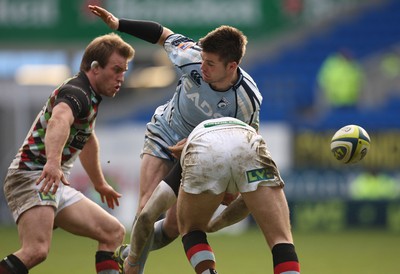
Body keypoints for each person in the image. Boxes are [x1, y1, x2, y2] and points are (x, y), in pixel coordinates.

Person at [89, 5, 263, 274]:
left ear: (232, 66)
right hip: (165, 133)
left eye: (210, 64)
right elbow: (161, 34)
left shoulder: (247, 102)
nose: (202, 66)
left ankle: (129, 253)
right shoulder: (192, 56)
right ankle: (134, 267)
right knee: (147, 208)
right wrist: (118, 24)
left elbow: (243, 145)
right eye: (202, 60)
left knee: (173, 227)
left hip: (200, 155)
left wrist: (234, 188)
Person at [0, 33, 135, 274]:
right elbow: (58, 121)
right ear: (95, 68)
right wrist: (52, 162)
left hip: (51, 179)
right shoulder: (77, 92)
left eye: (124, 71)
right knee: (36, 250)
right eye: (116, 70)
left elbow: (88, 140)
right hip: (33, 175)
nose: (121, 78)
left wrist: (99, 183)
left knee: (112, 232)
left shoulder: (90, 97)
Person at [137, 117, 299, 274]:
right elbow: (245, 203)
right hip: (249, 143)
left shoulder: (185, 162)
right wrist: (214, 225)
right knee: (281, 239)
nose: (225, 201)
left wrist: (132, 260)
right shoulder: (188, 164)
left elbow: (146, 216)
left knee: (191, 230)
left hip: (204, 148)